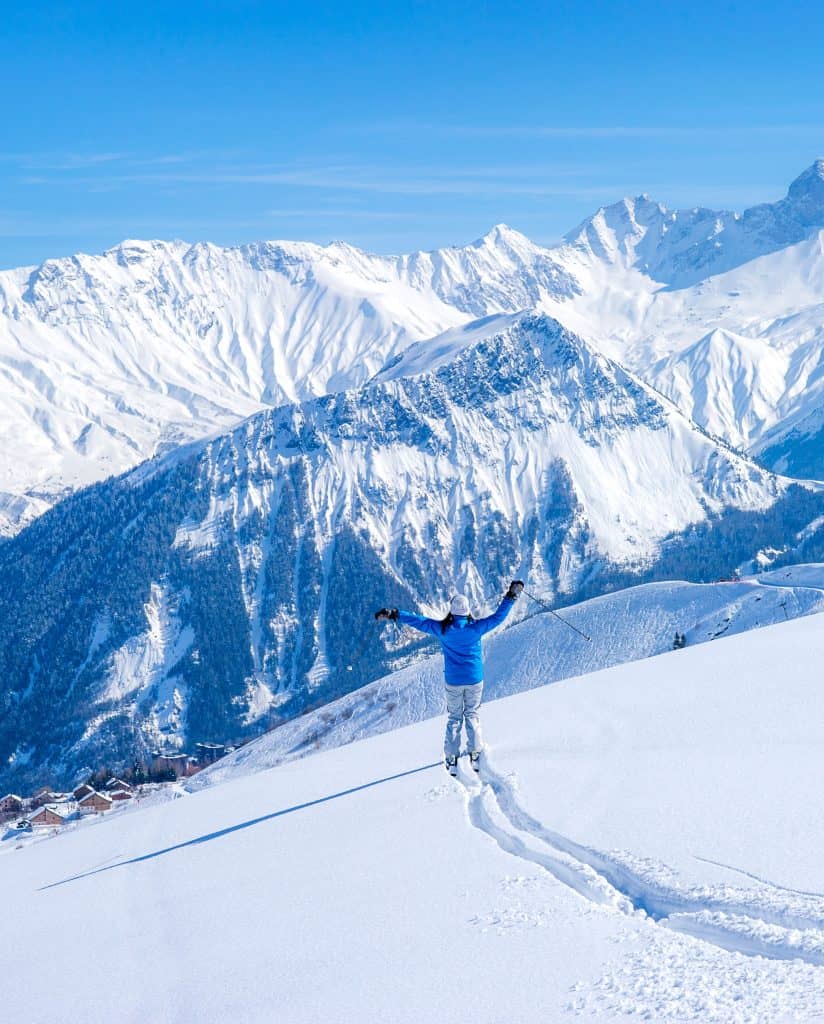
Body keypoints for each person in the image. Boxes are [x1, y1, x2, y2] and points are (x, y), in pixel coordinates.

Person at [375, 581, 524, 775]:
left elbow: (418, 621)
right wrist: (511, 597)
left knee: (454, 717)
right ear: (467, 611)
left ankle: (452, 758)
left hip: (453, 681)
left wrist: (395, 614)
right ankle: (475, 754)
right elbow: (498, 617)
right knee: (472, 714)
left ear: (452, 612)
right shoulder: (476, 629)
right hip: (474, 679)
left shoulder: (442, 629)